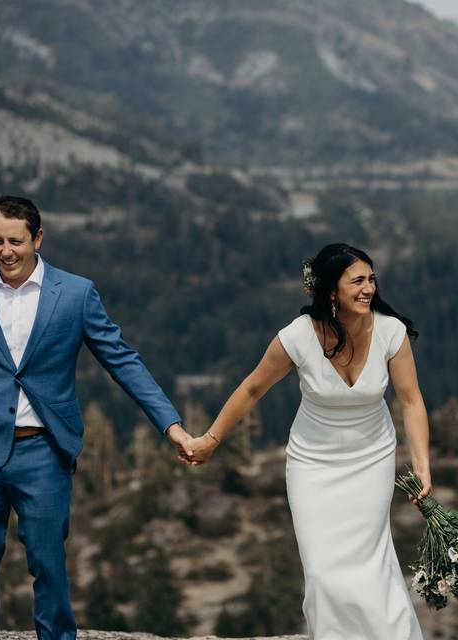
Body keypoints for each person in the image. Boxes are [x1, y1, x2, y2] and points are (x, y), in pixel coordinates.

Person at [0, 195, 194, 640]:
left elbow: (122, 360)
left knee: (48, 563)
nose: (5, 251)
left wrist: (172, 426)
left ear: (38, 238)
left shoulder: (76, 293)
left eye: (15, 240)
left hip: (45, 451)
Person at [187, 243, 432, 639]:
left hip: (371, 460)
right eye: (357, 281)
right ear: (332, 291)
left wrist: (422, 466)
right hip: (312, 464)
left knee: (370, 563)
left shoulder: (391, 331)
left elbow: (411, 400)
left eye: (371, 279)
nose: (368, 288)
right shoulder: (297, 336)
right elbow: (251, 389)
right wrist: (211, 440)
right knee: (321, 569)